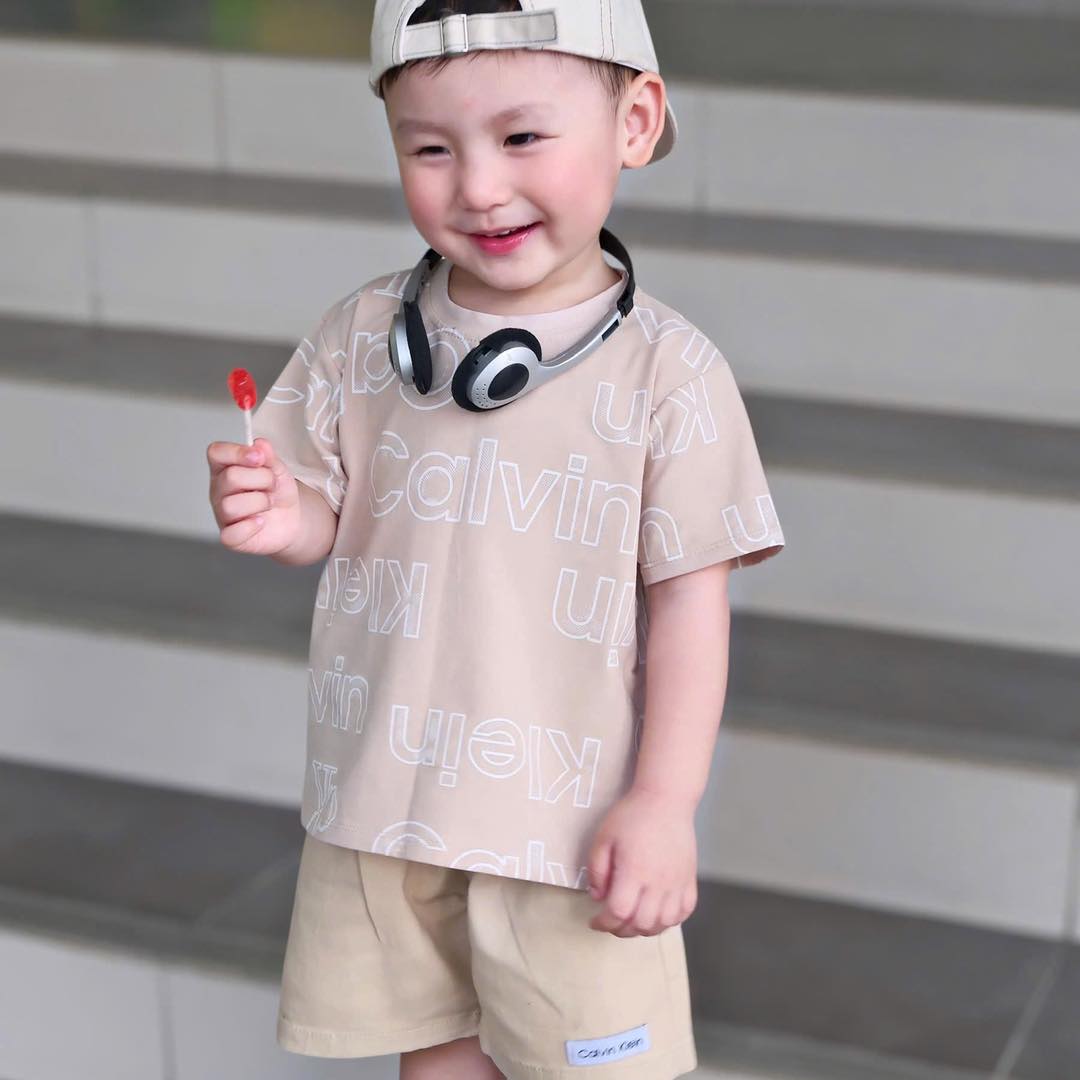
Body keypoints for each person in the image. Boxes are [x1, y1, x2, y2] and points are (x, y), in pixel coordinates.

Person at [205, 1, 786, 1076]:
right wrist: (285, 517)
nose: (476, 186)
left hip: (566, 831)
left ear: (635, 121)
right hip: (385, 805)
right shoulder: (361, 334)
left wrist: (664, 803)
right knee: (431, 1057)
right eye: (430, 149)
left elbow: (690, 609)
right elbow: (323, 508)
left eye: (522, 137)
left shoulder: (672, 375)